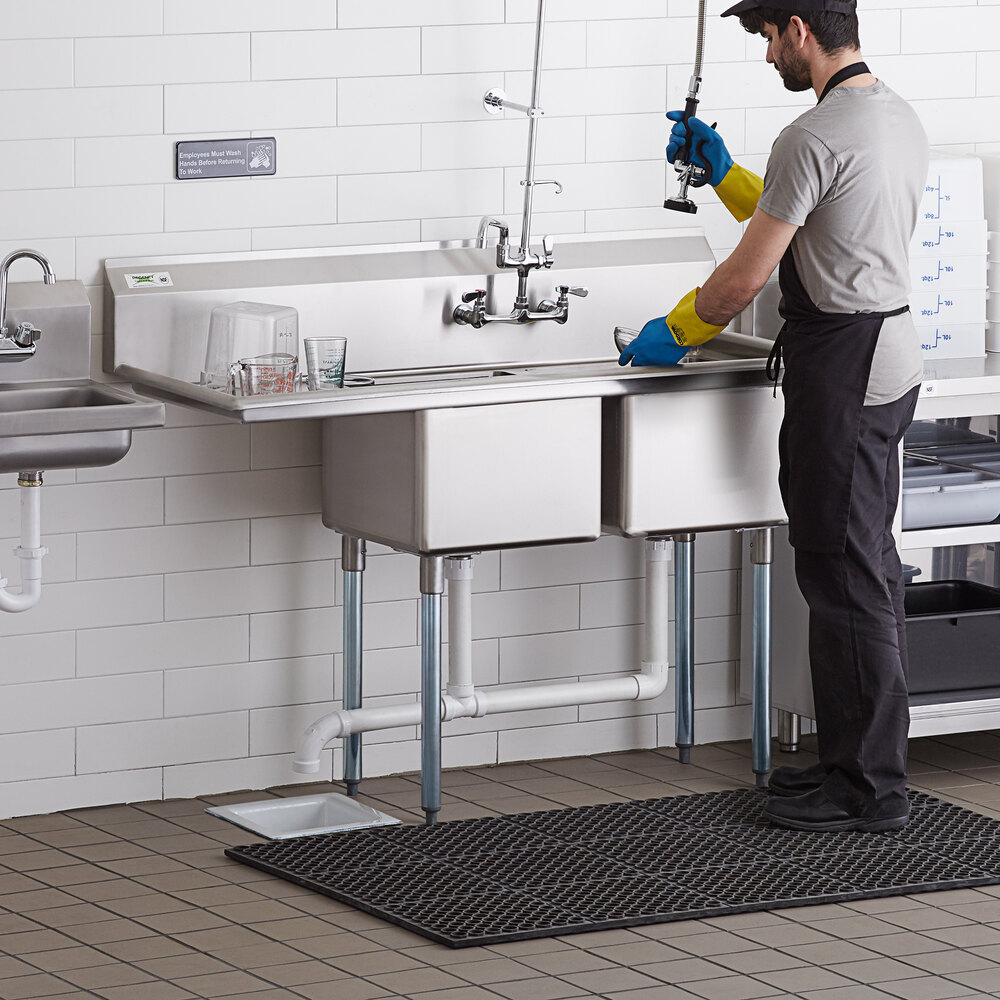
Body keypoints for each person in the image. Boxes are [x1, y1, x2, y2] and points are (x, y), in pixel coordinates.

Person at [619, 0, 930, 832]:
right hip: (884, 363)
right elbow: (803, 224)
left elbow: (745, 278)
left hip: (846, 369)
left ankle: (869, 791)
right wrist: (723, 172)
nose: (766, 57)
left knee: (844, 573)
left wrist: (677, 331)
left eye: (765, 37)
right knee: (855, 566)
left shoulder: (815, 133)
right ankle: (848, 765)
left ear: (798, 28)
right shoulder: (889, 115)